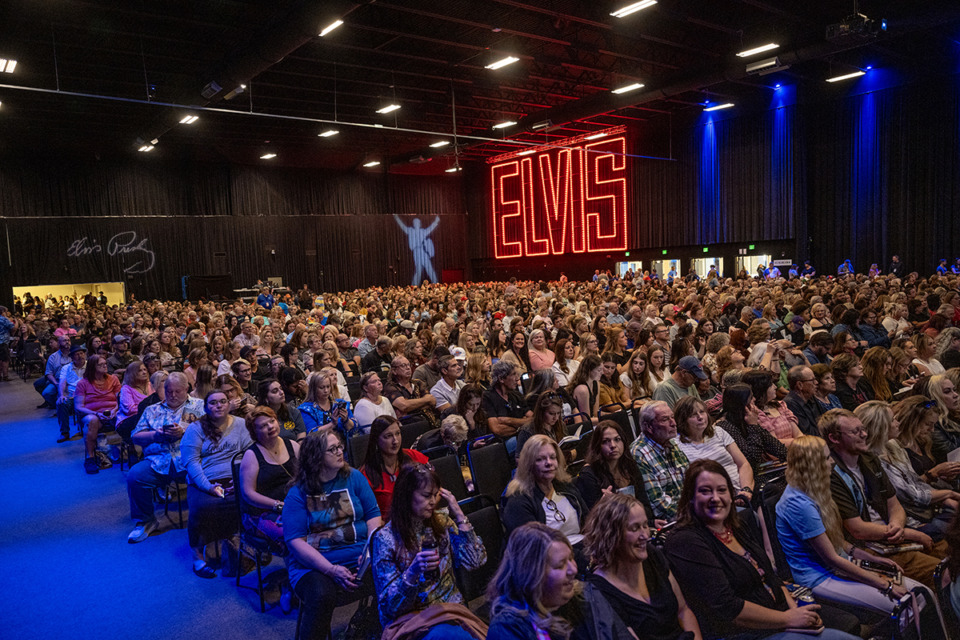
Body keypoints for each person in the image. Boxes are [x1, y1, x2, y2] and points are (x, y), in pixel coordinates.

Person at [666, 459, 860, 640]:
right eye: (705, 491)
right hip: (745, 632)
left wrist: (794, 613)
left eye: (722, 490)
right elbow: (728, 608)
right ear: (690, 497)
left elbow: (772, 577)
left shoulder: (735, 526)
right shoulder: (685, 541)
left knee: (850, 625)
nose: (715, 498)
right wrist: (788, 620)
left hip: (780, 614)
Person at [775, 436, 927, 614]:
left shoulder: (814, 490)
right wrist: (884, 585)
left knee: (921, 594)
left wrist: (873, 560)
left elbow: (838, 543)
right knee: (907, 605)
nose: (831, 461)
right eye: (826, 458)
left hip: (838, 565)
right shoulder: (798, 504)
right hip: (819, 577)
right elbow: (831, 558)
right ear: (811, 466)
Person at [820, 408, 948, 590]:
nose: (864, 434)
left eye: (863, 429)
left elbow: (894, 505)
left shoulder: (869, 459)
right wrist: (906, 533)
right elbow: (858, 530)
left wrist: (897, 526)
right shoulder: (832, 474)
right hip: (870, 547)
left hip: (892, 535)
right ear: (834, 438)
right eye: (856, 431)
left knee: (952, 555)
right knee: (944, 574)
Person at [283, 430, 381, 640]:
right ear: (316, 457)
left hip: (360, 556)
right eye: (332, 449)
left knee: (394, 574)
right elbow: (295, 542)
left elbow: (373, 515)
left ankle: (372, 630)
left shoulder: (353, 477)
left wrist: (371, 550)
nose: (340, 452)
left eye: (340, 447)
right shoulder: (298, 493)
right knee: (321, 596)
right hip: (315, 565)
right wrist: (331, 570)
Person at [371, 465, 487, 638]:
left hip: (451, 611)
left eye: (435, 495)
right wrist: (413, 571)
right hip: (412, 620)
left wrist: (459, 514)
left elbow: (475, 562)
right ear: (407, 496)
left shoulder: (442, 522)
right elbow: (390, 607)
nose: (433, 501)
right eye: (426, 496)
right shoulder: (386, 538)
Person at [581, 493, 703, 640]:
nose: (645, 535)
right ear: (612, 535)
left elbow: (683, 611)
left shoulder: (651, 556)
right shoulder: (600, 590)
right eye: (635, 528)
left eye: (645, 525)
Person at [857, 401, 960, 541]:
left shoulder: (893, 445)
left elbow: (916, 482)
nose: (897, 422)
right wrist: (949, 493)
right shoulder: (873, 461)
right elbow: (911, 495)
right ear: (880, 426)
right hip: (912, 519)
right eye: (893, 420)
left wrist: (946, 498)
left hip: (926, 509)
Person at [180, 390, 252, 578]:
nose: (218, 406)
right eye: (213, 403)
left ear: (229, 404)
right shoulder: (195, 429)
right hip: (205, 480)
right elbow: (191, 462)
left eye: (222, 401)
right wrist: (207, 487)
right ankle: (197, 556)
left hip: (237, 476)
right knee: (201, 507)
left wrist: (241, 480)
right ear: (205, 407)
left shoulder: (241, 425)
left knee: (248, 501)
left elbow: (250, 454)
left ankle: (243, 549)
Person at [127, 373, 204, 543]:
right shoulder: (152, 409)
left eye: (178, 391)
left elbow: (212, 433)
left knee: (208, 477)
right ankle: (146, 520)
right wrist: (156, 435)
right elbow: (135, 436)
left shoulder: (199, 406)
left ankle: (206, 520)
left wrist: (185, 432)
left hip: (191, 461)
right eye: (169, 391)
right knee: (135, 476)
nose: (173, 396)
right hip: (158, 461)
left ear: (187, 389)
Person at [486, 523, 581, 640]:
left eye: (571, 558)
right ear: (532, 576)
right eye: (560, 565)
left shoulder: (581, 599)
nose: (573, 570)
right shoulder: (507, 628)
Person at [502, 434, 587, 549]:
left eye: (552, 457)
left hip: (584, 547)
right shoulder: (518, 502)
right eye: (540, 459)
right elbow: (535, 549)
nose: (549, 463)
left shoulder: (565, 486)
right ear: (528, 465)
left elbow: (588, 522)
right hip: (552, 560)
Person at [239, 406, 300, 558]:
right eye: (263, 426)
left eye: (272, 421)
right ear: (255, 432)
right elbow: (248, 494)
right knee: (295, 533)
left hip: (293, 505)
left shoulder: (293, 445)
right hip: (262, 512)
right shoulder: (251, 455)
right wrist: (278, 505)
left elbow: (306, 476)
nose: (270, 427)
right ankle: (298, 575)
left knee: (322, 522)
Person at [674, 396, 754, 498]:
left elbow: (743, 464)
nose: (700, 417)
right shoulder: (676, 445)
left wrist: (746, 490)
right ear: (683, 420)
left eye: (702, 412)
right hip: (712, 500)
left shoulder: (718, 432)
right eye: (693, 415)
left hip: (741, 492)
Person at [575, 420, 656, 519]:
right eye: (605, 441)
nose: (613, 445)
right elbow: (590, 519)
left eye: (617, 439)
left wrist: (651, 522)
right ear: (597, 446)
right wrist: (604, 506)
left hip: (635, 523)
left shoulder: (630, 466)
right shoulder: (588, 475)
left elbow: (645, 506)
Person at [359, 416, 429, 519]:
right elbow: (368, 516)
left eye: (398, 433)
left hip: (420, 518)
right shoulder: (366, 474)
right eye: (388, 436)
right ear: (376, 440)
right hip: (388, 526)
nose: (395, 441)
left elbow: (436, 489)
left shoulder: (413, 456)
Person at [630, 401, 689, 522]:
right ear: (649, 427)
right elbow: (658, 505)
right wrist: (693, 513)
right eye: (665, 419)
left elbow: (692, 480)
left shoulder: (671, 443)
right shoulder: (639, 453)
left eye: (672, 417)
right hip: (672, 520)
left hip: (690, 510)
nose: (673, 423)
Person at [714, 383, 787, 471]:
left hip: (762, 469)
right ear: (742, 403)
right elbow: (752, 459)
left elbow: (778, 448)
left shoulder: (746, 419)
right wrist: (753, 426)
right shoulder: (725, 427)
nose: (755, 399)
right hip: (750, 475)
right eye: (751, 397)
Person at [75, 354, 122, 474]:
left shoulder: (113, 379)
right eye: (100, 364)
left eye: (105, 363)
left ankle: (130, 452)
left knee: (128, 415)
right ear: (92, 367)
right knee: (92, 420)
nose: (105, 366)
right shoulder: (83, 383)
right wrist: (96, 413)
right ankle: (90, 458)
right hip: (93, 414)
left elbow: (120, 400)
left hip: (112, 412)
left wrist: (114, 410)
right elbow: (79, 406)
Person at [482, 361, 531, 454]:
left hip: (520, 437)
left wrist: (509, 421)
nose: (517, 379)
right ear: (501, 379)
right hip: (502, 445)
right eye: (513, 375)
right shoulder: (488, 397)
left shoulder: (516, 395)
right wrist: (522, 424)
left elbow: (533, 419)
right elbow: (497, 429)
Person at [743, 369, 801, 447]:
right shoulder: (755, 413)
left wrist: (806, 442)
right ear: (761, 388)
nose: (775, 387)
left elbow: (798, 433)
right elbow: (774, 445)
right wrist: (802, 443)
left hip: (796, 449)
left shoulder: (780, 405)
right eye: (771, 384)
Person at [383, 355, 440, 425]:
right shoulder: (391, 386)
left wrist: (410, 407)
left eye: (408, 365)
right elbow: (404, 406)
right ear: (394, 371)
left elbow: (432, 401)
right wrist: (425, 400)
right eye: (403, 365)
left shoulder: (418, 382)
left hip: (427, 420)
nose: (408, 368)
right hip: (408, 425)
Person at [516, 392, 569, 460]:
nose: (556, 418)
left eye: (558, 413)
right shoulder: (527, 431)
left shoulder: (560, 425)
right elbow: (519, 460)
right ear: (541, 412)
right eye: (551, 413)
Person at [55, 344, 87, 443]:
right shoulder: (66, 368)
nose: (80, 356)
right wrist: (62, 395)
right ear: (72, 357)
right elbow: (62, 382)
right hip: (73, 396)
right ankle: (64, 432)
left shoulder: (90, 365)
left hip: (88, 396)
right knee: (61, 403)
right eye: (77, 354)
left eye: (81, 353)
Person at [783, 365, 826, 437]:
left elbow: (826, 420)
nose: (816, 382)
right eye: (812, 380)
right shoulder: (790, 404)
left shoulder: (811, 397)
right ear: (800, 385)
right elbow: (809, 433)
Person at [927, 373, 960, 463]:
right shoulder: (934, 424)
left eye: (954, 390)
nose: (955, 395)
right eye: (947, 391)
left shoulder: (955, 414)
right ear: (935, 397)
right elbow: (951, 454)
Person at [117, 360, 153, 424]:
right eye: (140, 370)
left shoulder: (151, 385)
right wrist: (150, 409)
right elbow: (130, 410)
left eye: (145, 369)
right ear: (132, 373)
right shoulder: (126, 389)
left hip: (150, 415)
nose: (144, 372)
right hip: (129, 419)